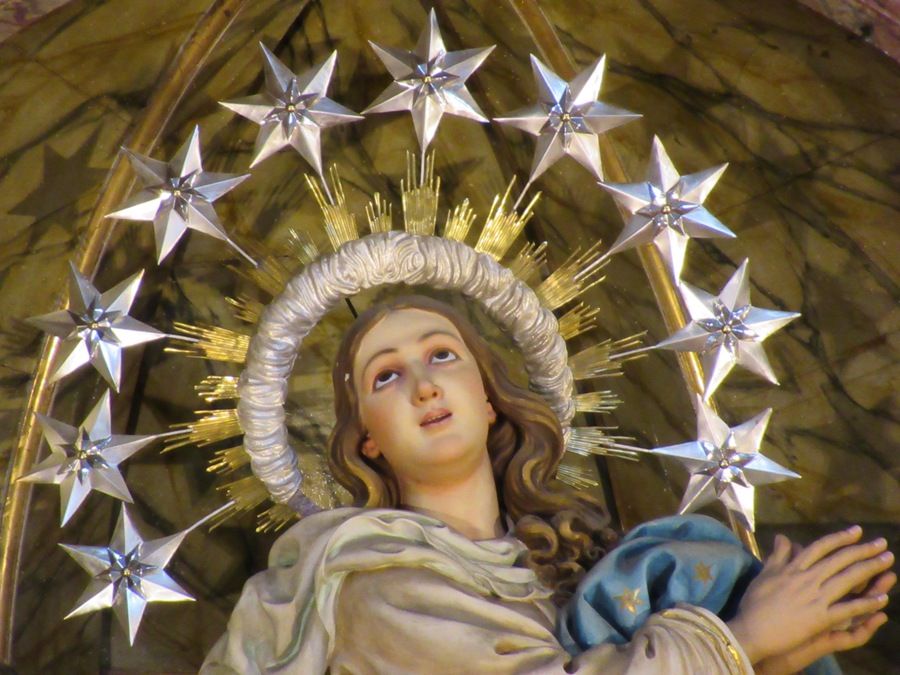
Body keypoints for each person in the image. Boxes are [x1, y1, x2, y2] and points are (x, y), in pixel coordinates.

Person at [202, 295, 894, 674]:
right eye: (386, 375)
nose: (424, 385)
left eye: (442, 355)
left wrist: (779, 653)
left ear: (488, 396)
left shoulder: (577, 562)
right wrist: (745, 636)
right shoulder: (371, 581)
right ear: (367, 439)